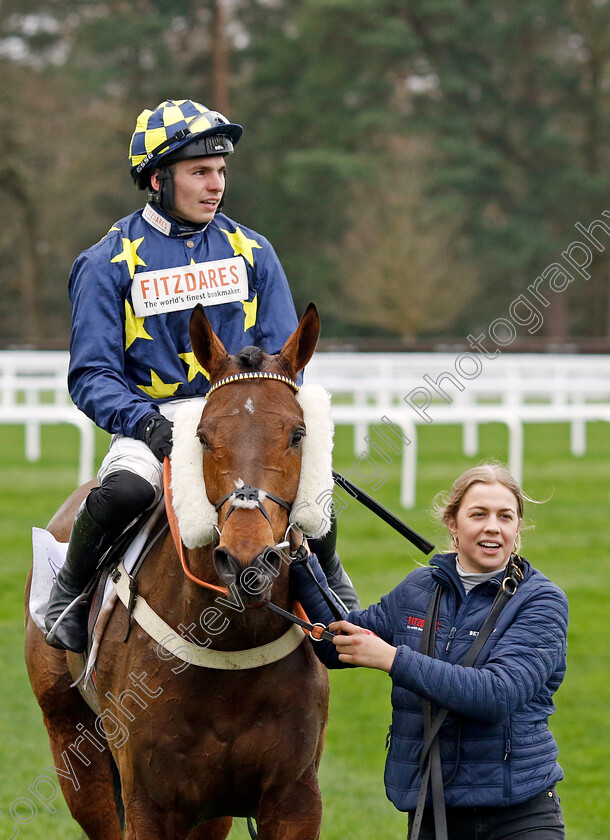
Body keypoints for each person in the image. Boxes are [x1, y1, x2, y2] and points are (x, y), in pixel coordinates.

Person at [45, 98, 358, 653]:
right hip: (154, 420)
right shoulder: (106, 262)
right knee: (123, 492)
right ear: (159, 178)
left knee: (309, 495)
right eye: (199, 173)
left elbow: (286, 362)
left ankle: (333, 595)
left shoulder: (253, 251)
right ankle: (68, 596)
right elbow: (91, 374)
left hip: (244, 415)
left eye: (220, 172)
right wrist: (144, 425)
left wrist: (264, 420)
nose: (215, 185)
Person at [291, 464, 568, 840]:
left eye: (506, 516)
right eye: (478, 514)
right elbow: (337, 643)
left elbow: (496, 694)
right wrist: (302, 559)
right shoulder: (419, 587)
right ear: (452, 524)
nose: (493, 526)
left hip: (519, 816)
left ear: (518, 528)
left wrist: (391, 658)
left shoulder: (542, 602)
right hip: (432, 812)